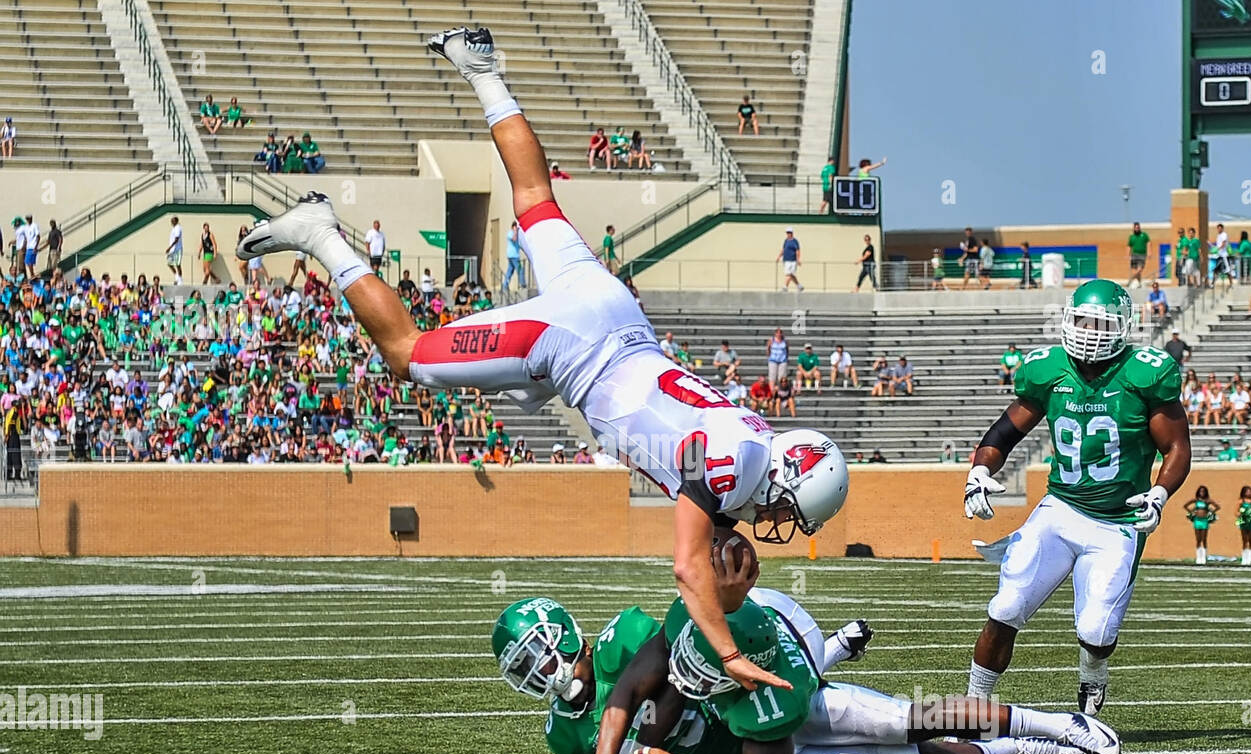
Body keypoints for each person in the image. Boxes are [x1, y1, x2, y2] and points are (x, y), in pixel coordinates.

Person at [238, 25, 849, 697]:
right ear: (788, 468)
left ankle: (481, 67)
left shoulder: (754, 444)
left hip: (614, 317)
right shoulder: (741, 466)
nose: (781, 521)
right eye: (791, 508)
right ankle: (321, 233)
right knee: (404, 354)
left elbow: (703, 529)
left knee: (535, 200)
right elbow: (686, 566)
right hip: (570, 345)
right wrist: (729, 654)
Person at [526, 589, 1115, 754]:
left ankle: (1060, 722)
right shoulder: (676, 655)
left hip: (791, 712)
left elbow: (652, 699)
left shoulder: (762, 687)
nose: (686, 682)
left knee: (912, 720)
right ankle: (1017, 752)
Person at [962, 278, 1191, 716]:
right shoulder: (1048, 368)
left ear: (1123, 328)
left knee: (1096, 630)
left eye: (1100, 322)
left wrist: (1160, 493)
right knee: (1006, 606)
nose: (1089, 330)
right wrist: (978, 472)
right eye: (1082, 319)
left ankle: (1093, 671)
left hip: (1117, 521)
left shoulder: (1145, 373)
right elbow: (1004, 432)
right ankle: (974, 707)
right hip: (1061, 509)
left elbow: (1177, 447)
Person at [1182, 485, 1219, 565]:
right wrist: (1192, 511)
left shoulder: (1207, 501)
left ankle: (1204, 557)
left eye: (1203, 491)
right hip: (1197, 520)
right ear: (1198, 492)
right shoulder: (1196, 500)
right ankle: (1199, 557)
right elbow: (1185, 505)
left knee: (1204, 539)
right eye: (1201, 491)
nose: (1202, 493)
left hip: (1204, 520)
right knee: (1198, 539)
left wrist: (1210, 512)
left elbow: (1217, 506)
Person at [1235, 485, 1251, 566]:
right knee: (1244, 540)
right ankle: (1244, 559)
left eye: (1250, 491)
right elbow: (1236, 512)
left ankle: (1250, 558)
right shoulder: (1241, 501)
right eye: (1247, 491)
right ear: (1244, 492)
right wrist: (1241, 513)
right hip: (1244, 522)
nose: (1249, 493)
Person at [778, 226, 802, 292]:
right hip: (786, 260)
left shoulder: (795, 241)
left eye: (789, 232)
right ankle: (799, 286)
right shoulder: (786, 241)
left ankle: (785, 287)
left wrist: (798, 259)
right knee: (791, 274)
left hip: (793, 260)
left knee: (790, 274)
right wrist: (779, 256)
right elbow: (783, 249)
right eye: (787, 232)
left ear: (792, 233)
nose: (788, 234)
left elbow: (797, 250)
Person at [502, 220, 522, 294]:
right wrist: (515, 231)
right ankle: (522, 284)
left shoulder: (516, 234)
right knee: (520, 269)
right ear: (513, 227)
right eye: (516, 227)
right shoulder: (510, 233)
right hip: (513, 256)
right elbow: (514, 239)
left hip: (514, 255)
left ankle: (505, 285)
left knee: (510, 271)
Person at [1127, 222, 1150, 287]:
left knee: (1140, 270)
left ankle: (1131, 280)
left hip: (1142, 255)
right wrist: (1128, 255)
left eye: (1138, 227)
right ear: (1134, 228)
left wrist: (1149, 252)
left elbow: (1148, 243)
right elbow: (1129, 246)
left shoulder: (1144, 235)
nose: (1137, 229)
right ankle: (1139, 283)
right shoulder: (1132, 237)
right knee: (1134, 270)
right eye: (1135, 227)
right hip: (1134, 255)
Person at [165, 216, 183, 285]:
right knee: (169, 263)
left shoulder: (178, 228)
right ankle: (176, 277)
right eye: (171, 221)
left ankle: (180, 280)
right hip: (172, 250)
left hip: (177, 249)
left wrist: (169, 247)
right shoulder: (174, 228)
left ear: (176, 221)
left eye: (173, 220)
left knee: (178, 264)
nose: (172, 222)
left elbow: (176, 239)